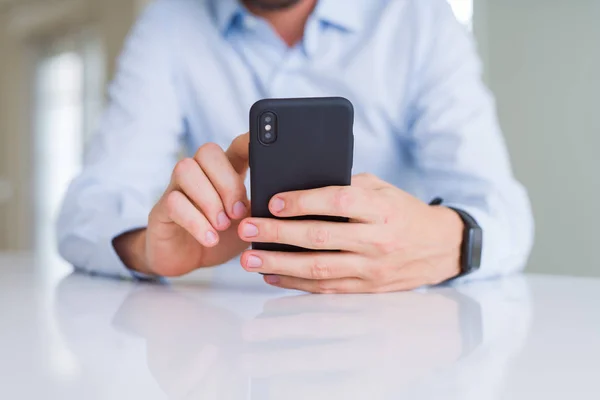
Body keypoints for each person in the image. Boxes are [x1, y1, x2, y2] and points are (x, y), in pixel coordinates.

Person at [57, 0, 534, 293]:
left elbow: (504, 211)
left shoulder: (417, 16)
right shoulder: (169, 21)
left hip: (397, 329)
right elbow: (87, 208)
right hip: (223, 336)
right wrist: (147, 250)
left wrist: (447, 242)